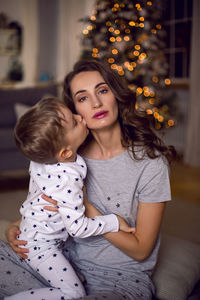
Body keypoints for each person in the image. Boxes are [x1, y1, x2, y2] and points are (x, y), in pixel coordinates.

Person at [0, 60, 176, 300]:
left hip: (118, 281)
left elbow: (141, 249)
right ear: (75, 111)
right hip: (63, 264)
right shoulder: (66, 156)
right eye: (83, 98)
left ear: (116, 94)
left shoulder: (150, 164)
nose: (96, 103)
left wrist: (88, 208)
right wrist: (14, 227)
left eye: (102, 90)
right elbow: (45, 205)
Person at [5, 97, 134, 300]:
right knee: (73, 293)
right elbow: (78, 228)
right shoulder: (67, 181)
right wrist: (112, 221)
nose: (80, 116)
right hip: (42, 247)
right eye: (75, 121)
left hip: (34, 233)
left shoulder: (41, 157)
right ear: (65, 152)